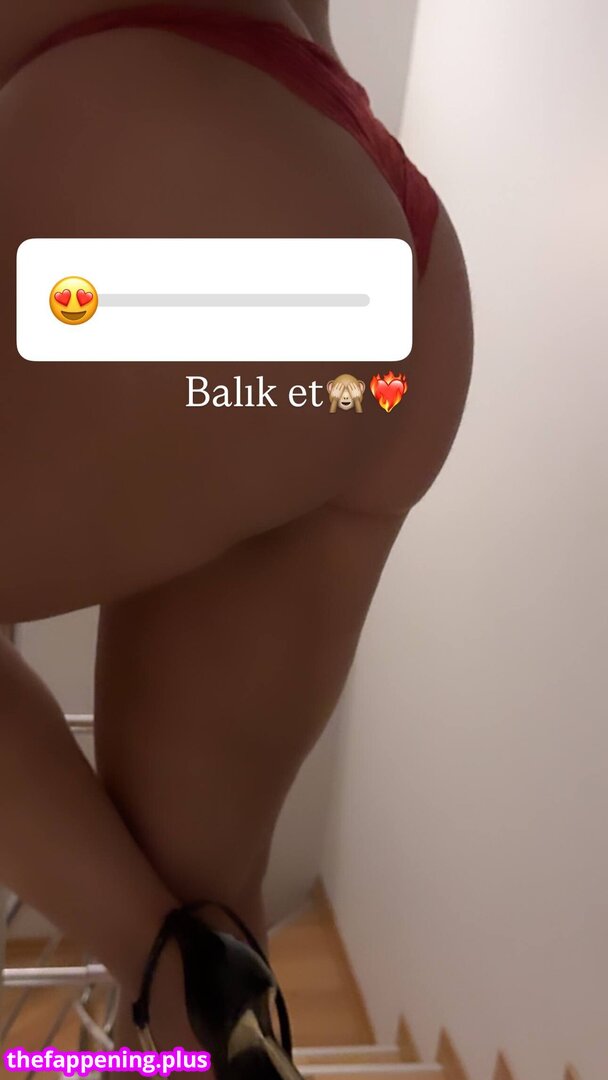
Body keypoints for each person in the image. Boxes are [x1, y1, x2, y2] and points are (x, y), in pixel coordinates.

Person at [0, 1, 473, 1075]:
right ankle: (200, 986)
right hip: (378, 253)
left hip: (190, 201)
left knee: (164, 924)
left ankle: (167, 962)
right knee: (196, 885)